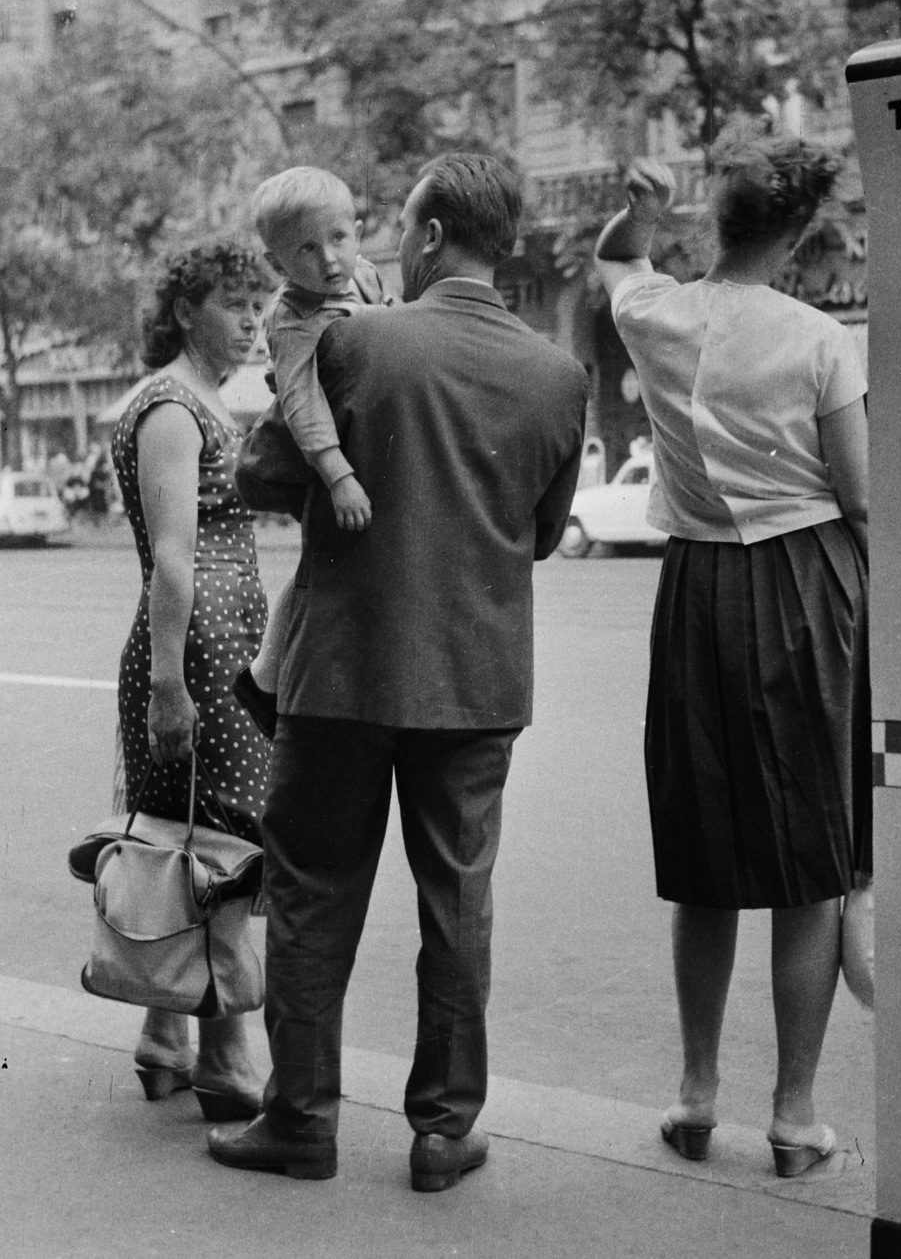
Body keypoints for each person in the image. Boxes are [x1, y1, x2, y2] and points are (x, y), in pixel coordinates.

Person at [215, 152, 588, 1188]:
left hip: (340, 670)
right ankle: (443, 1130)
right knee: (458, 903)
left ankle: (301, 1118)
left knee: (312, 893)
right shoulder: (561, 375)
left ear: (427, 236)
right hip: (475, 678)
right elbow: (543, 533)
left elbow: (260, 471)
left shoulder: (353, 339)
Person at [593, 135, 872, 1178]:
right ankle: (794, 1114)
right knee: (810, 861)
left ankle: (696, 1094)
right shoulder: (820, 339)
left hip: (698, 588)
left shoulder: (654, 314)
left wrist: (641, 213)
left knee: (704, 856)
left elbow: (618, 258)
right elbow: (860, 496)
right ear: (796, 235)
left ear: (714, 220)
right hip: (806, 582)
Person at [106, 242, 276, 1123]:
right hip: (198, 648)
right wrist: (169, 686)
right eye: (233, 304)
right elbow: (173, 558)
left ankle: (163, 1033)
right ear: (183, 311)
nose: (251, 321)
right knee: (221, 840)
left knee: (183, 830)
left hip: (220, 641)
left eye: (258, 305)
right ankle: (225, 1055)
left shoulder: (200, 400)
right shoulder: (172, 406)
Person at [230, 165, 389, 740]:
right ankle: (271, 677)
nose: (328, 259)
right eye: (305, 249)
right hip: (306, 453)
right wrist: (338, 475)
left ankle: (269, 677)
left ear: (357, 232)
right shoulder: (291, 315)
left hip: (350, 436)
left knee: (325, 565)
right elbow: (301, 401)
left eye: (338, 238)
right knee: (324, 564)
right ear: (277, 263)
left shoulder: (364, 275)